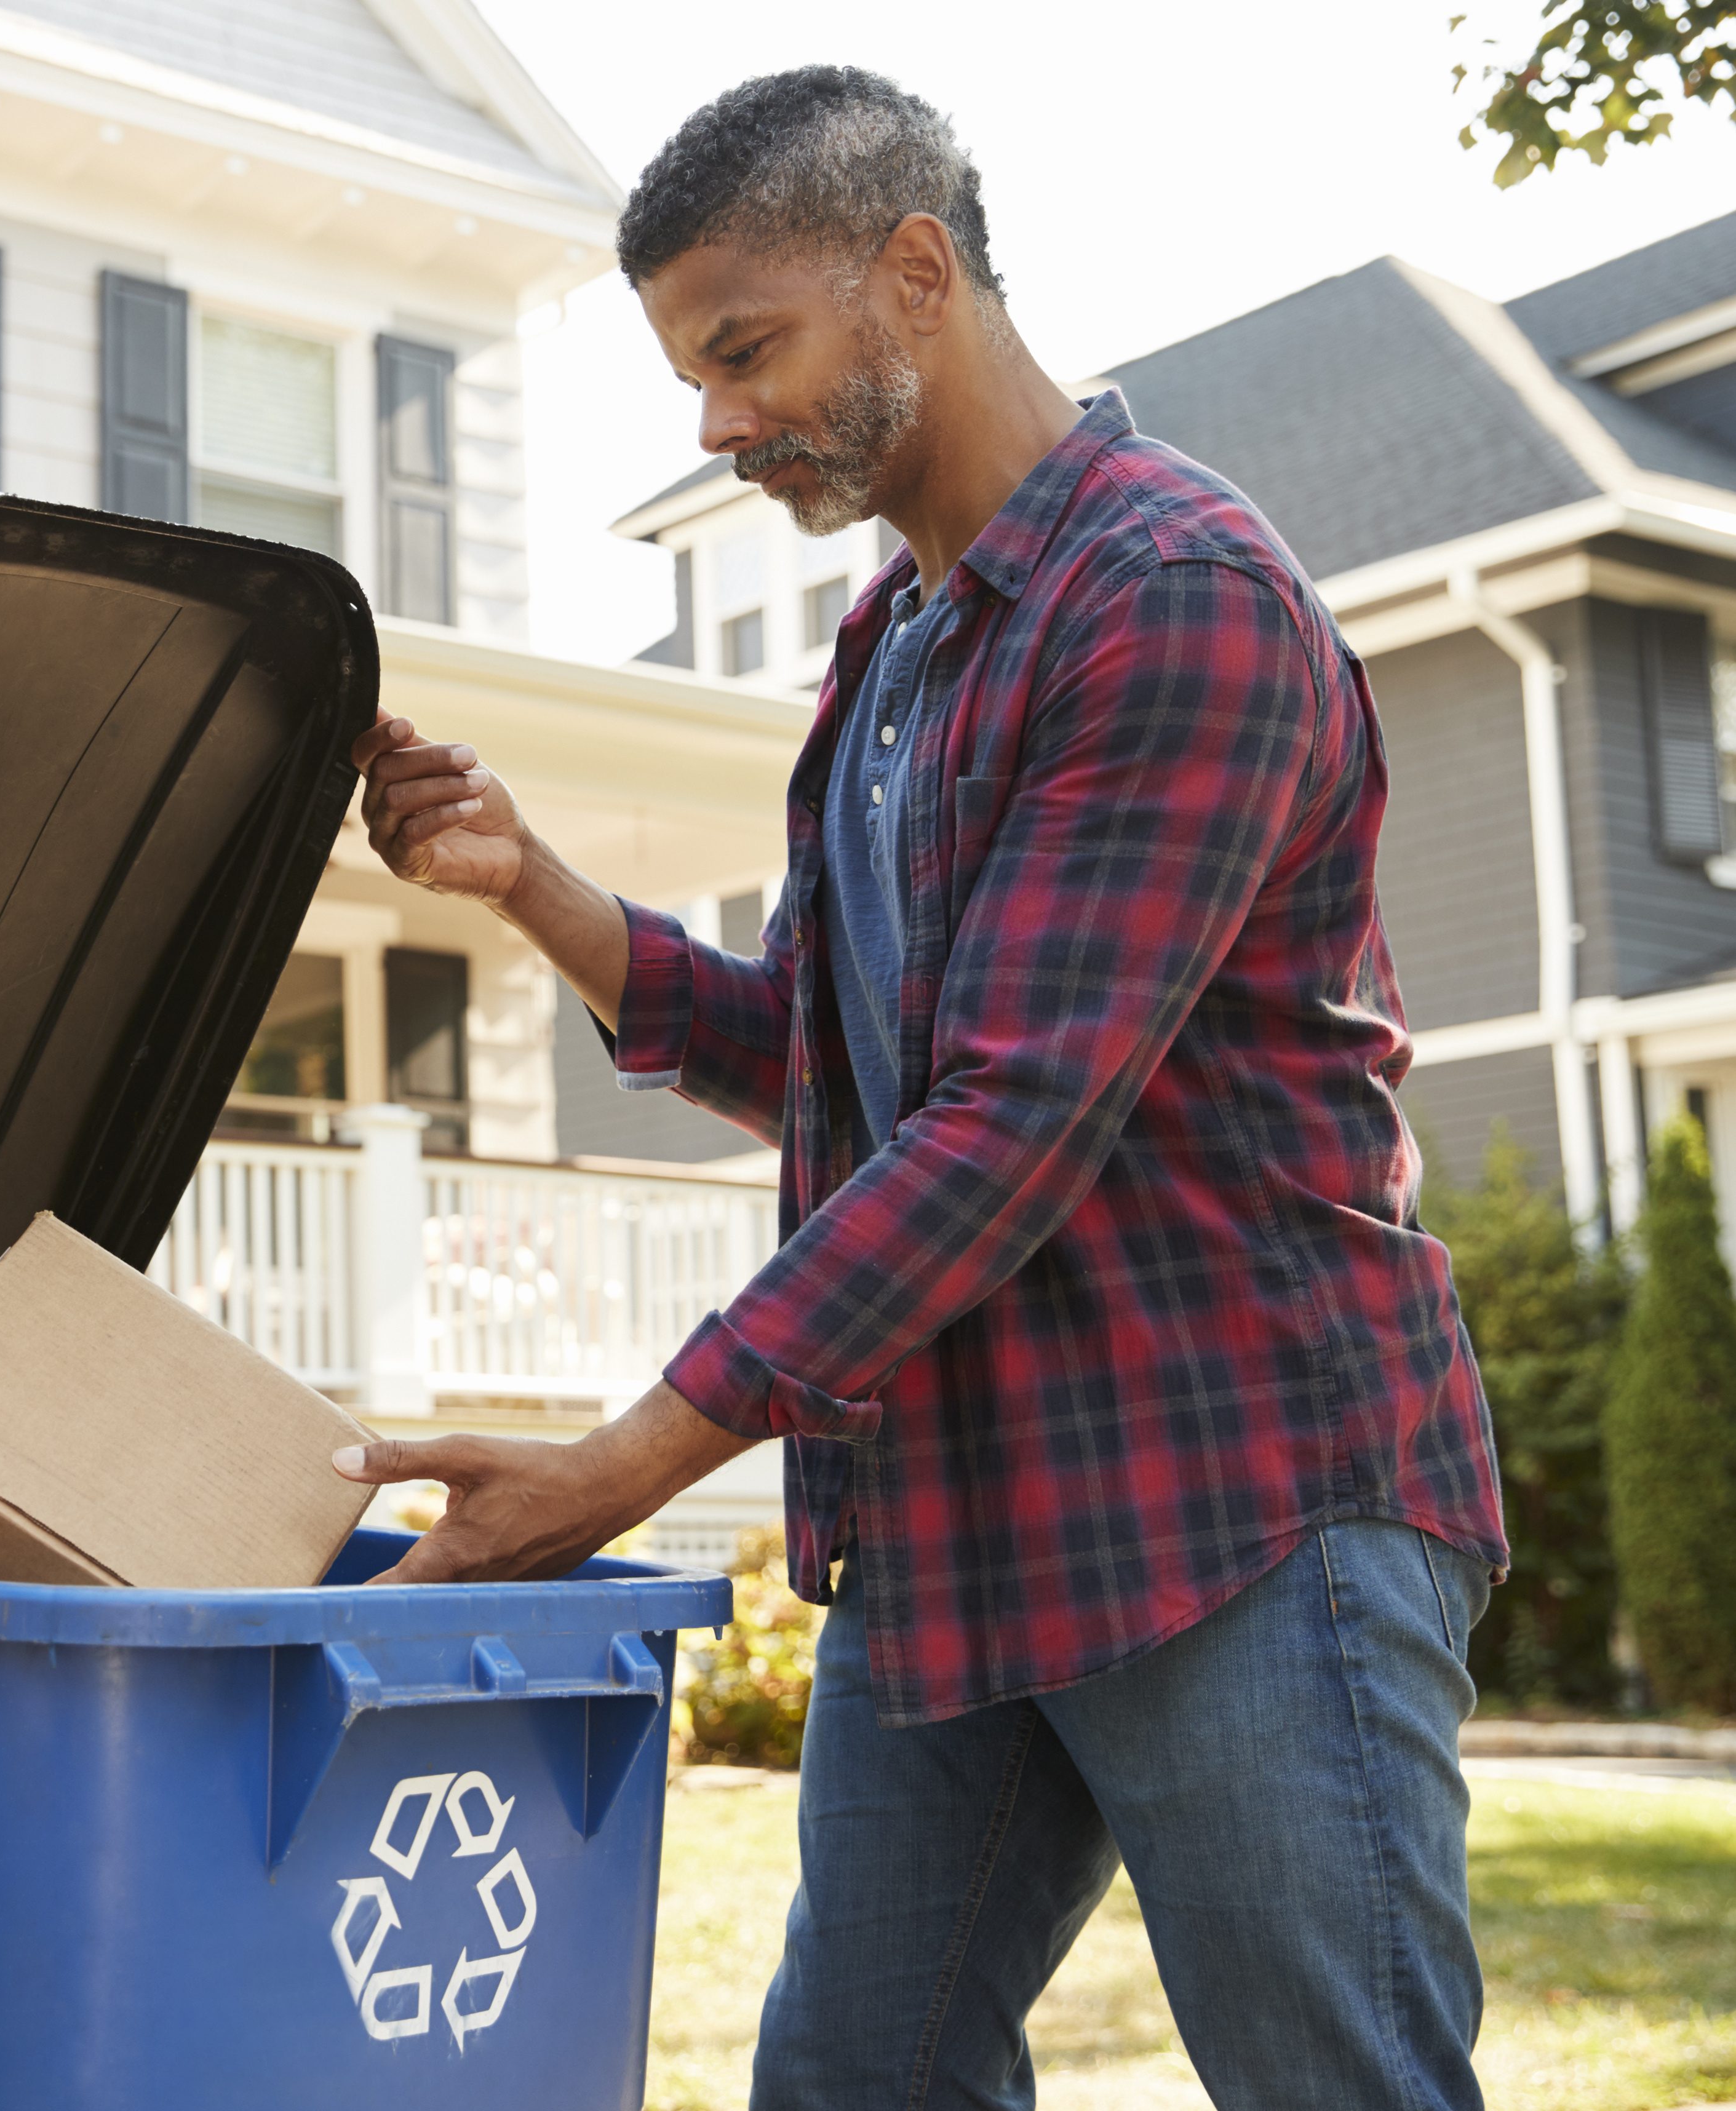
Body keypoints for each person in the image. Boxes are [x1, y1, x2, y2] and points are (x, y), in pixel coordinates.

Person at [330, 66, 1507, 2111]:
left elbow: (1006, 1129)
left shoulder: (1167, 595)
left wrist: (615, 1470)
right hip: (962, 1514)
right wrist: (532, 888)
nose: (710, 424)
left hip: (1240, 1497)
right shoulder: (892, 649)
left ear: (911, 272)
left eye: (739, 351)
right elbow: (840, 1063)